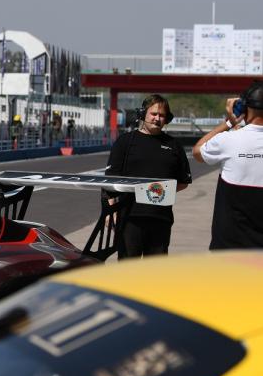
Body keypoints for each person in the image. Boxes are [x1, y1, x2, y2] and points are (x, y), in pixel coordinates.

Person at [105, 94, 191, 259]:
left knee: (155, 274)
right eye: (154, 114)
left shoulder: (174, 145)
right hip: (130, 218)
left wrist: (156, 193)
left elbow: (183, 182)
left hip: (161, 219)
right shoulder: (124, 142)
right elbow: (110, 181)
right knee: (128, 271)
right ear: (142, 113)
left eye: (162, 115)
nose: (157, 118)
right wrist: (111, 213)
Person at [193, 82, 263, 250]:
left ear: (244, 108)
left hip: (229, 246)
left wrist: (229, 123)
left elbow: (197, 152)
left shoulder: (228, 140)